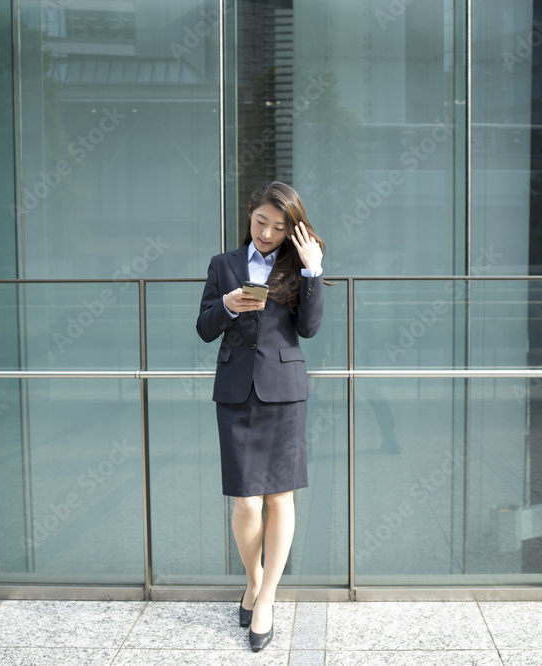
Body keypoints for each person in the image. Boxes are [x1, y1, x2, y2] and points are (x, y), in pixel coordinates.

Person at [196, 181, 326, 652]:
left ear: (292, 228)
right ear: (249, 217)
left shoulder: (298, 266)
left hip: (284, 394)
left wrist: (312, 273)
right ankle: (254, 581)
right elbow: (204, 327)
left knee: (280, 499)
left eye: (278, 226)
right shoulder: (223, 265)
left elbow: (308, 330)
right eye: (260, 222)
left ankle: (266, 598)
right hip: (235, 393)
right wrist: (228, 304)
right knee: (246, 504)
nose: (267, 233)